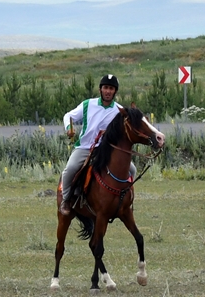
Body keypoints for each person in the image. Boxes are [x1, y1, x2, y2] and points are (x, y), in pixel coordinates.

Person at [58, 74, 159, 215]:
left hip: (107, 150)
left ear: (115, 91)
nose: (108, 91)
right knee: (69, 170)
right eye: (105, 87)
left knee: (132, 170)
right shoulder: (88, 104)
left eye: (111, 88)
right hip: (85, 147)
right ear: (100, 89)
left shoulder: (119, 110)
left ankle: (123, 201)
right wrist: (69, 129)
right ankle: (66, 201)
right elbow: (68, 116)